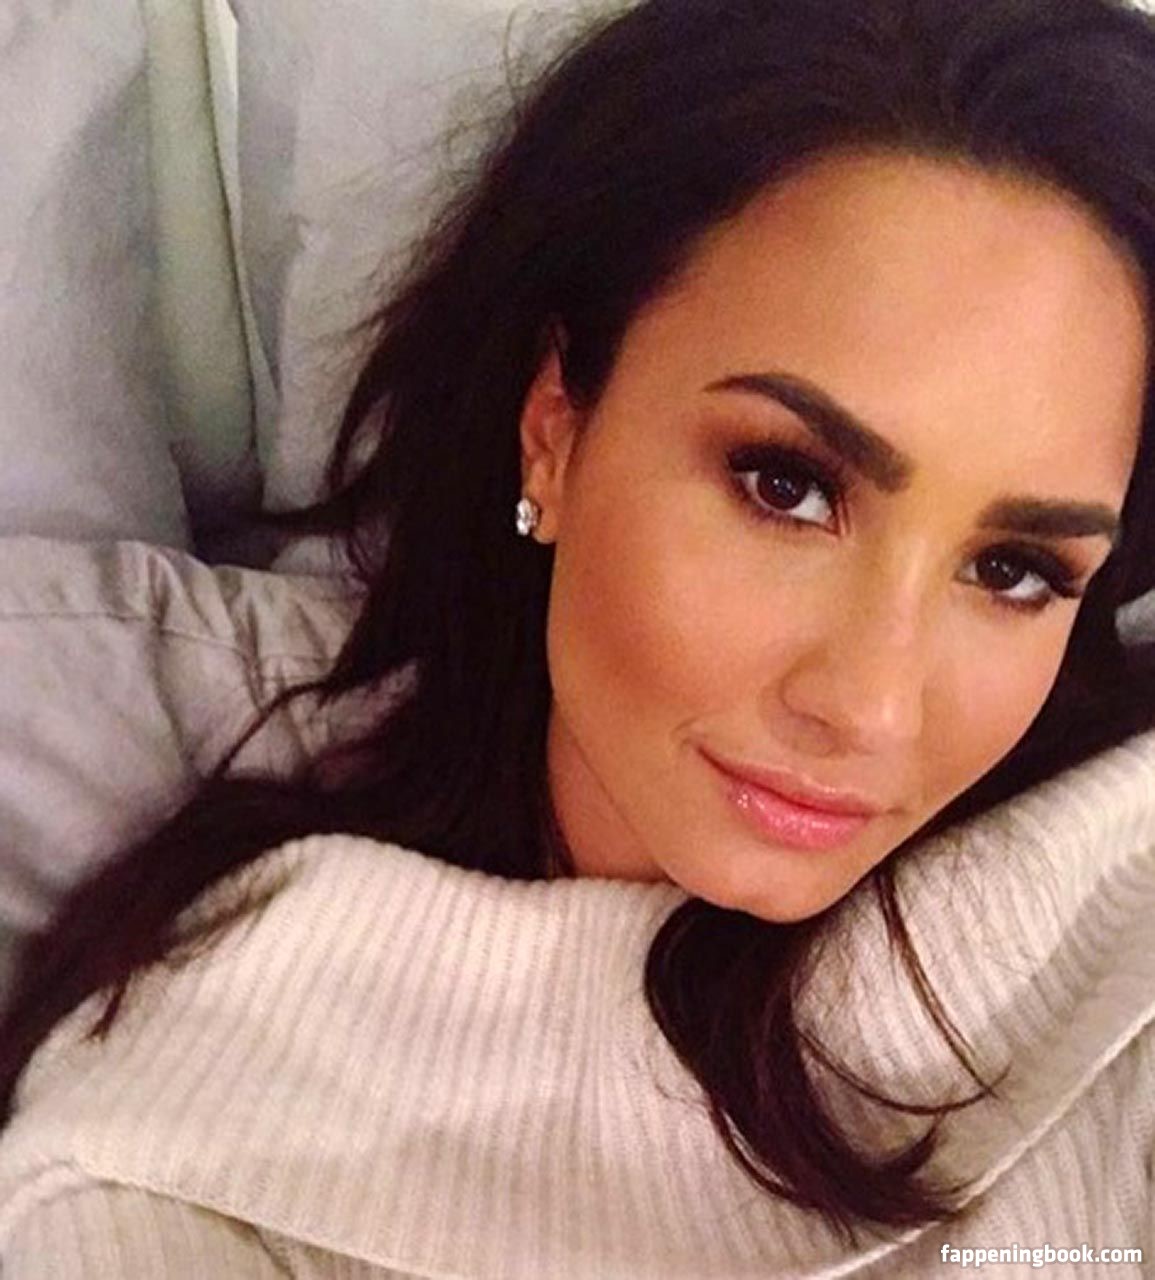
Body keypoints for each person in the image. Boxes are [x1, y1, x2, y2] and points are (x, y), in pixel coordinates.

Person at [1, 0, 1155, 1273]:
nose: (872, 707)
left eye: (1014, 568)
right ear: (555, 428)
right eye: (786, 485)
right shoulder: (186, 1096)